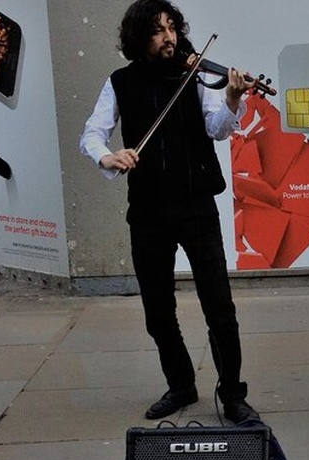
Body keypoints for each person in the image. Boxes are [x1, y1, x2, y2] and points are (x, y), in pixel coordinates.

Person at [79, 0, 259, 423]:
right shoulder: (120, 82)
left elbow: (217, 129)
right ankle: (180, 385)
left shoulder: (195, 77)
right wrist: (107, 157)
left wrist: (232, 98)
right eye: (159, 31)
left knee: (219, 305)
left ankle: (233, 394)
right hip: (147, 210)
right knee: (158, 309)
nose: (170, 37)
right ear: (140, 38)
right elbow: (92, 133)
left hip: (196, 203)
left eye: (173, 28)